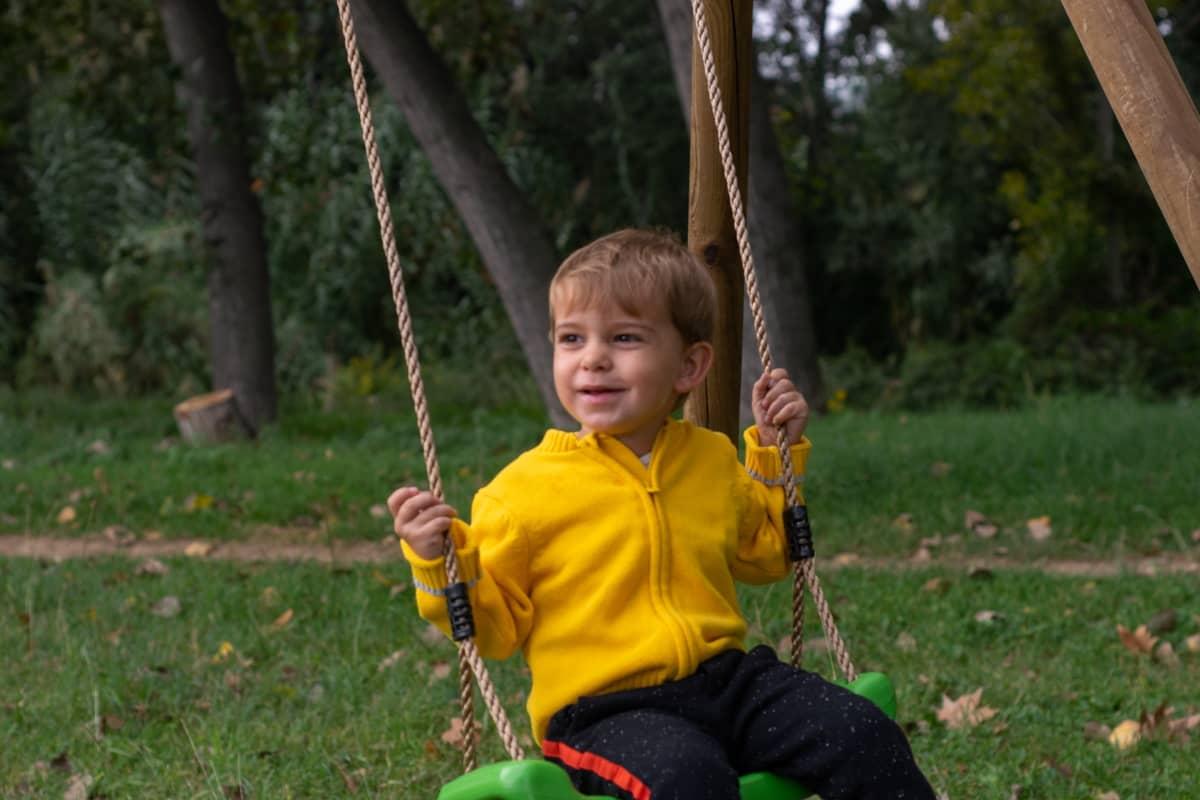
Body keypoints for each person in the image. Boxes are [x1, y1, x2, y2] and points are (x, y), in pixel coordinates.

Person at [388, 229, 935, 799]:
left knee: (861, 731)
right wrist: (437, 563)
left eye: (624, 338)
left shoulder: (711, 459)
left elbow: (769, 553)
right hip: (605, 713)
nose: (593, 359)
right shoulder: (520, 493)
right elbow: (494, 633)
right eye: (572, 339)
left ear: (689, 366)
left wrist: (774, 456)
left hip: (730, 683)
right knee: (686, 777)